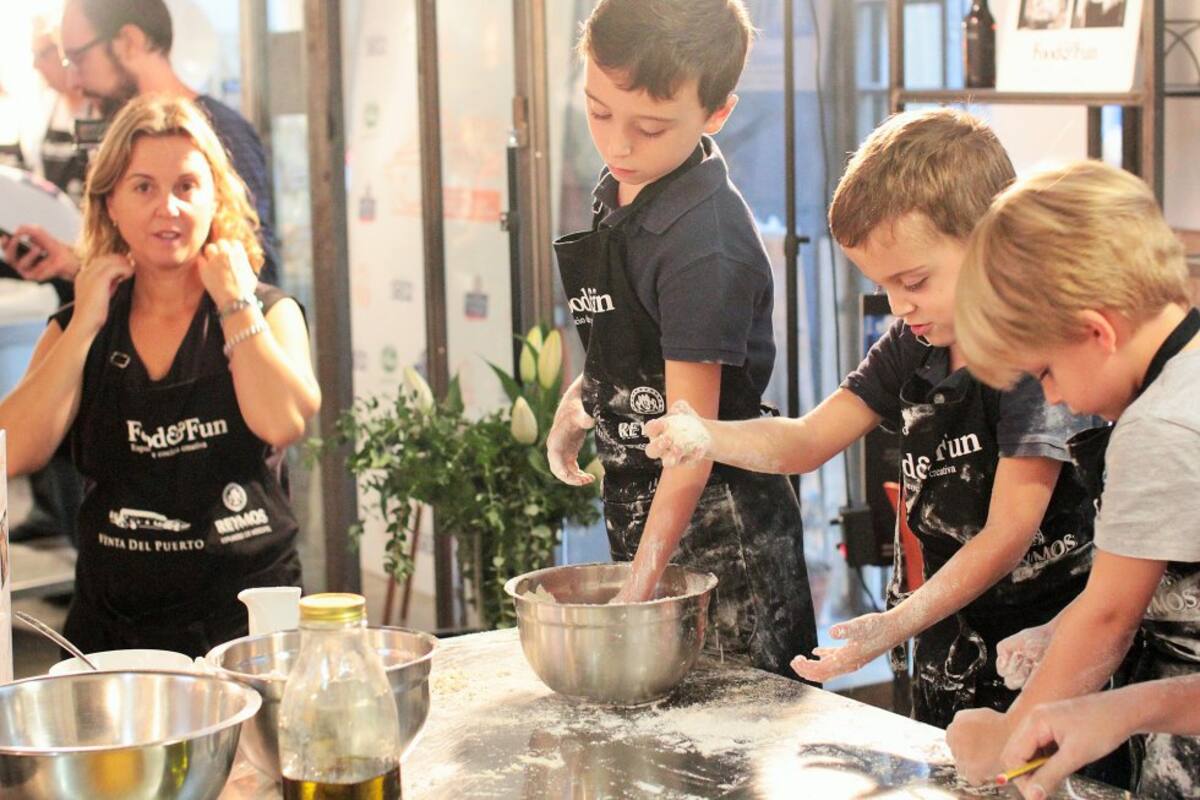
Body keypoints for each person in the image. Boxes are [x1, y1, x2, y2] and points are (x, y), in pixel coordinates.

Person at [643, 109, 1100, 728]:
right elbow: (808, 440)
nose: (898, 304)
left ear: (995, 240)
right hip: (949, 635)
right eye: (884, 285)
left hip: (1045, 645)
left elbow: (1008, 533)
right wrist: (705, 435)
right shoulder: (917, 342)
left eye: (914, 280)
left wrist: (894, 623)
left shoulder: (1036, 357)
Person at [546, 0, 818, 676]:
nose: (618, 145)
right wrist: (583, 398)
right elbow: (640, 340)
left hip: (722, 531)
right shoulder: (630, 184)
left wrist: (636, 594)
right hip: (649, 509)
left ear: (716, 114)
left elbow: (691, 447)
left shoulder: (705, 245)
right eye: (599, 112)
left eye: (650, 127)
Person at [0, 93, 320, 658]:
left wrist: (234, 302)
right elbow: (13, 450)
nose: (167, 208)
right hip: (113, 633)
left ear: (215, 199)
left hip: (247, 627)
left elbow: (283, 421)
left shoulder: (268, 311)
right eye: (143, 187)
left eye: (187, 187)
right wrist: (85, 323)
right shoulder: (80, 324)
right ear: (111, 204)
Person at [944, 161, 1200, 799]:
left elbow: (1110, 618)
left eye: (1046, 373)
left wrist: (1010, 743)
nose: (1054, 400)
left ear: (1096, 332)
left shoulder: (1158, 426)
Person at [1, 0, 280, 286]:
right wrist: (75, 263)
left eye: (80, 59)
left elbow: (256, 271)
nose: (73, 81)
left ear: (129, 42)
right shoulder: (122, 134)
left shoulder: (224, 133)